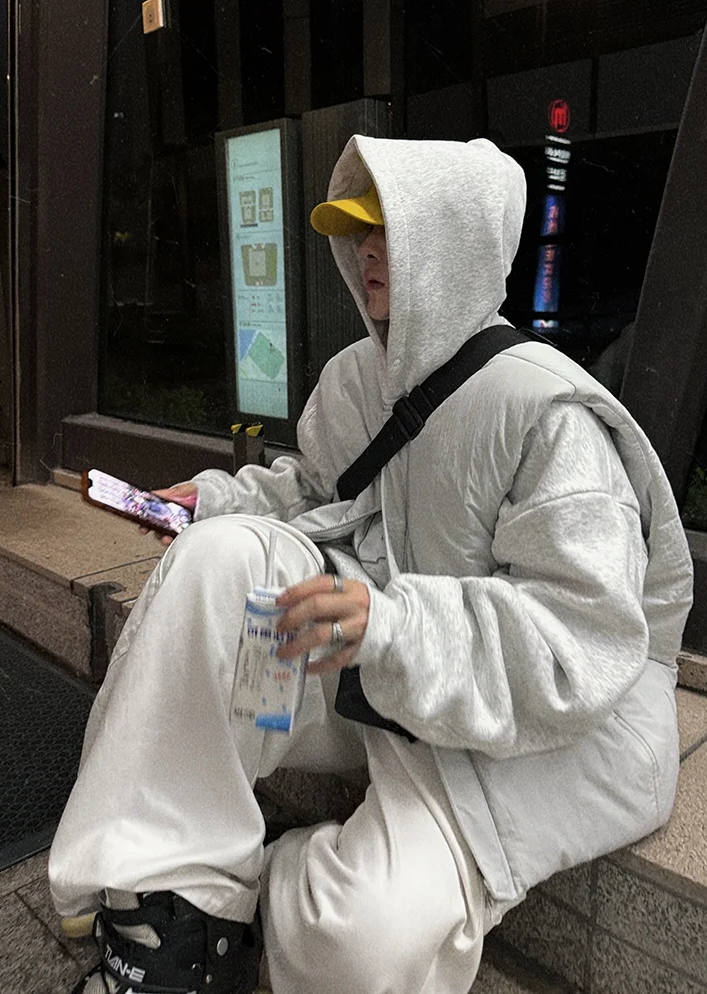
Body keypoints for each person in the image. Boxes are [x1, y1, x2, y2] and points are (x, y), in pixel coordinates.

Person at [50, 136, 693, 994]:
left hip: (535, 726)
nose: (371, 252)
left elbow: (582, 640)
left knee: (362, 941)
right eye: (361, 231)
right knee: (220, 563)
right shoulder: (360, 376)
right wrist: (209, 504)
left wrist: (390, 623)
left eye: (396, 230)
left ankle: (262, 889)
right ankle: (171, 901)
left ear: (457, 241)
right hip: (382, 676)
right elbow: (317, 487)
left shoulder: (546, 412)